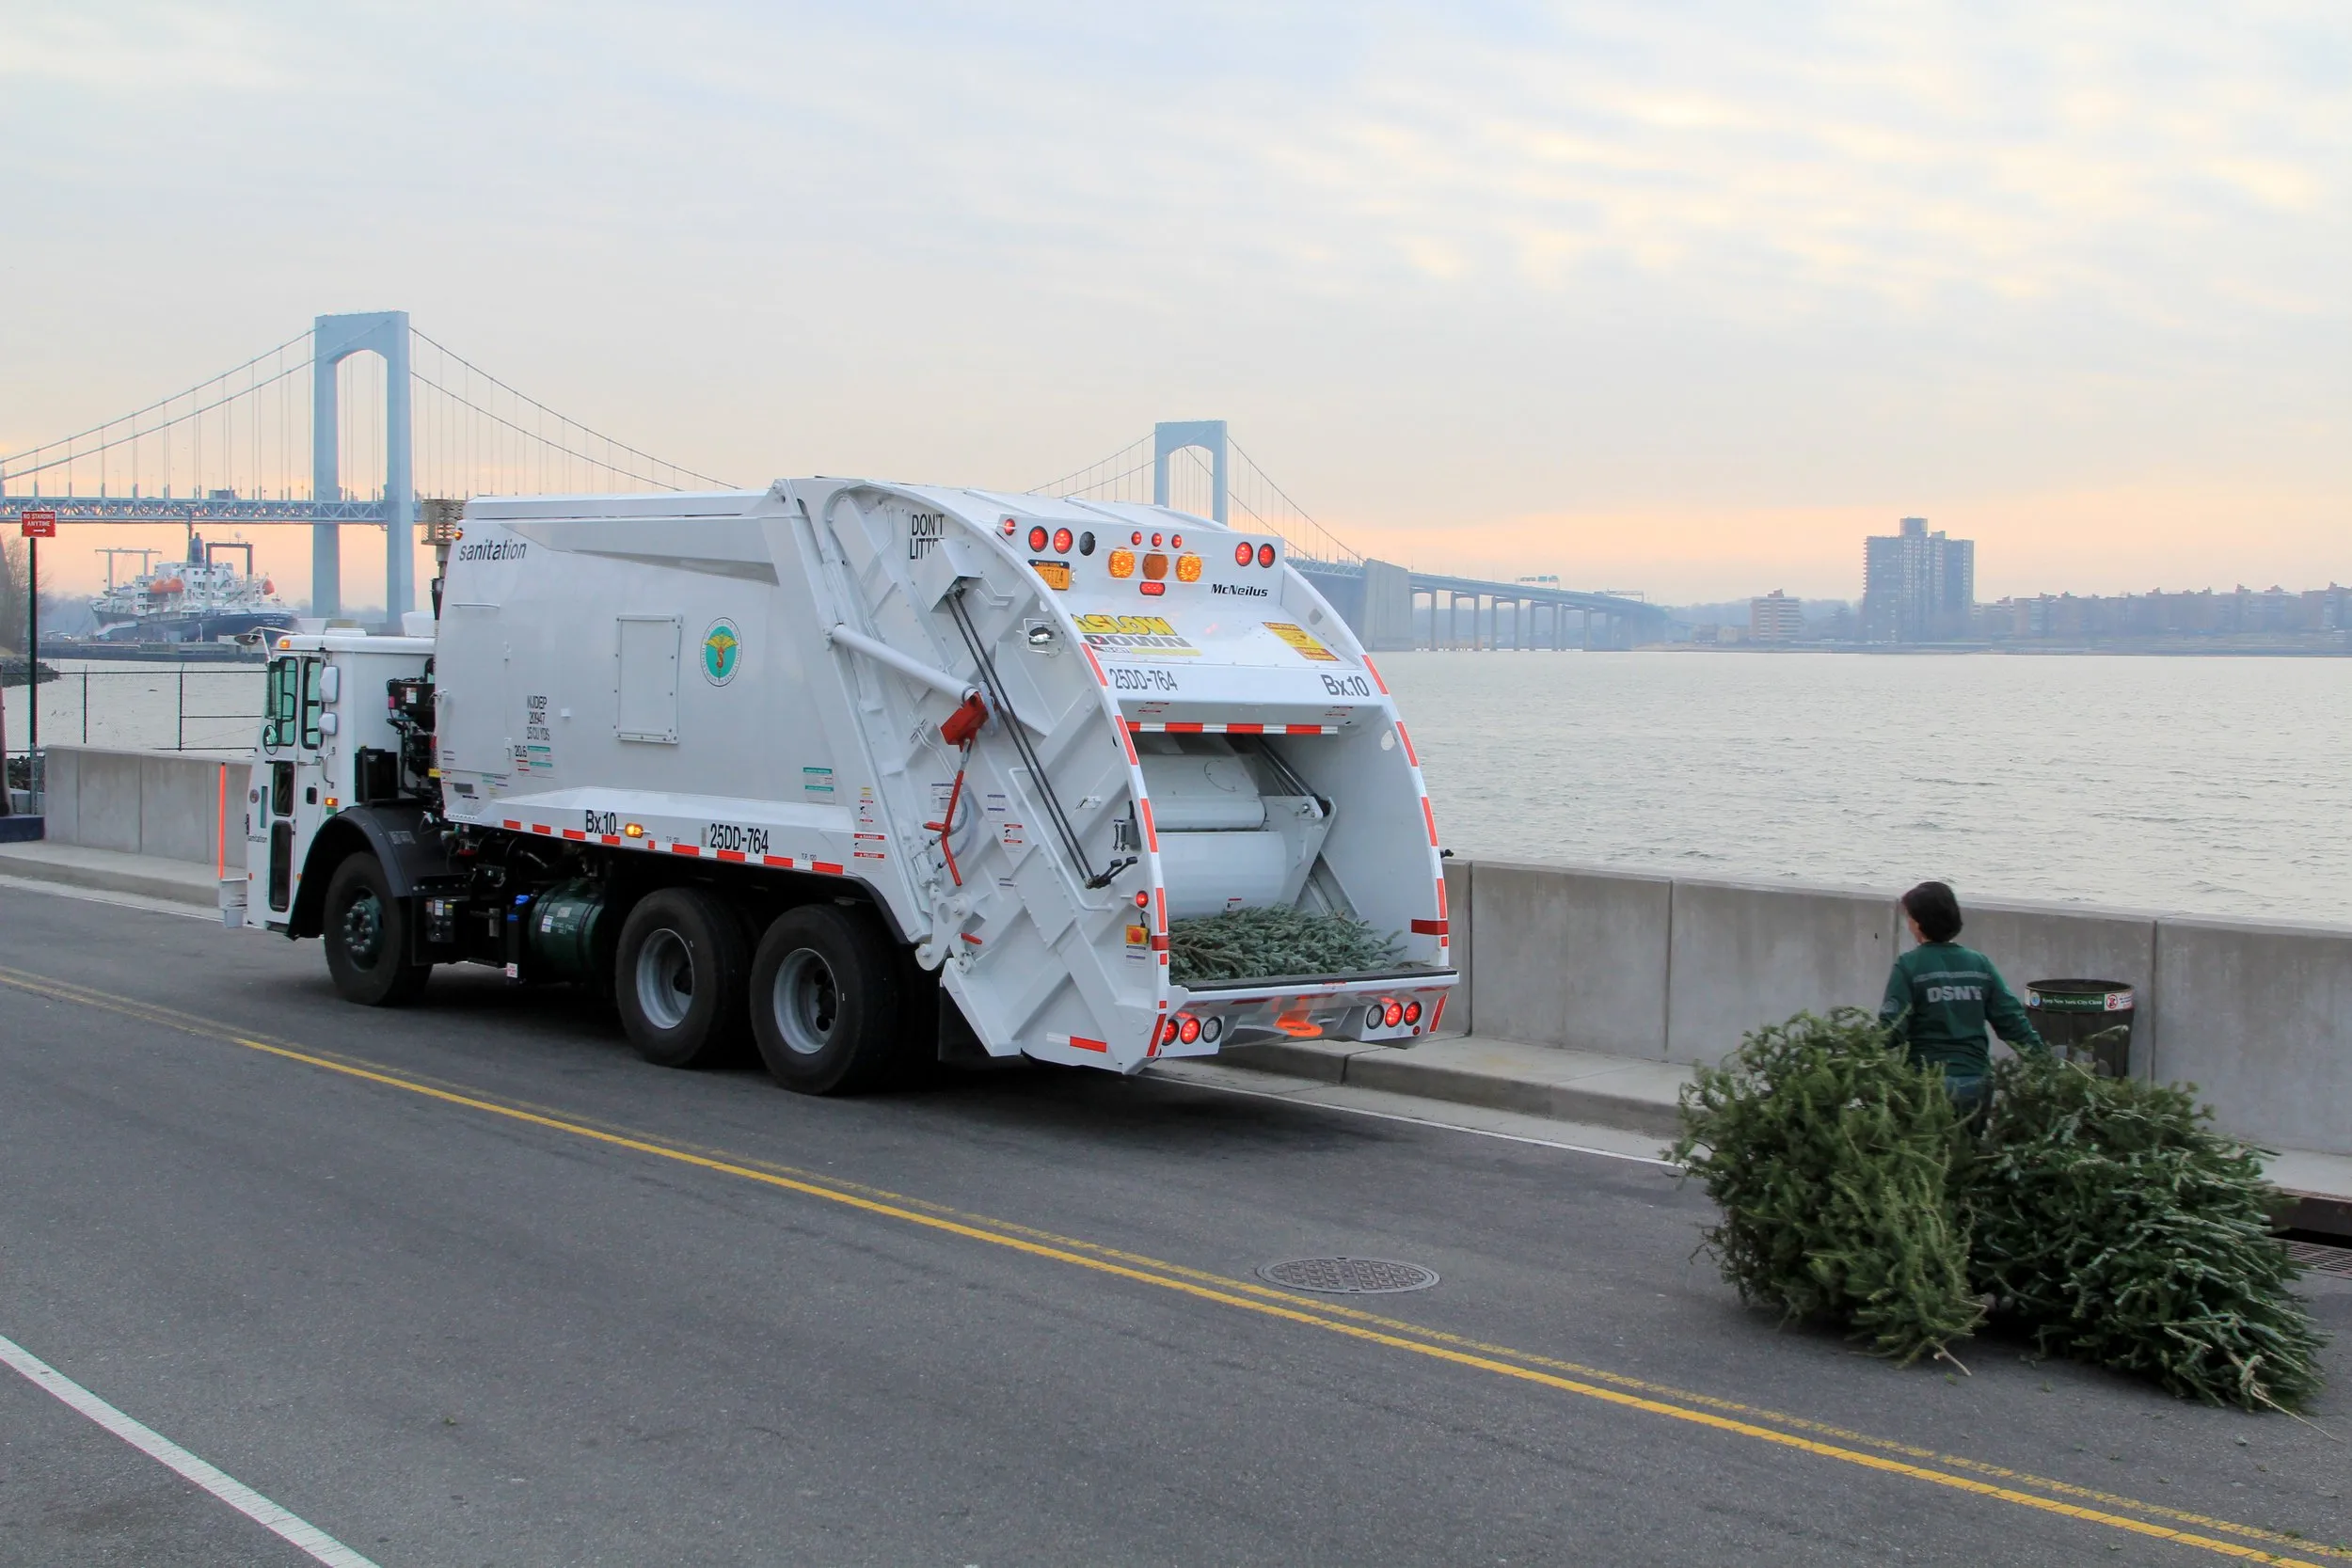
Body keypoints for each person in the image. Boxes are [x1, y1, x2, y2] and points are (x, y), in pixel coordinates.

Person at [1879, 880, 2045, 1122]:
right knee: (1971, 1155)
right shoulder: (1980, 964)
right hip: (1975, 1083)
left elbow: (1891, 1030)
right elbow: (2013, 1022)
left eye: (1910, 918)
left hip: (1926, 1084)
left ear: (1918, 923)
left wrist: (1853, 1049)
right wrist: (2046, 1063)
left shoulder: (1909, 966)